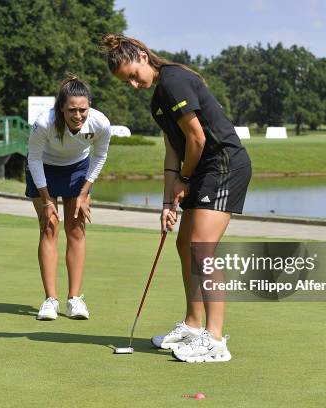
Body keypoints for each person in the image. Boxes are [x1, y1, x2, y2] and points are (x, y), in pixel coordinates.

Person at [101, 35, 251, 363]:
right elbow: (173, 150)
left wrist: (184, 180)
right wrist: (168, 202)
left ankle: (215, 341)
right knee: (185, 243)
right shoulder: (158, 99)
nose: (133, 84)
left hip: (223, 163)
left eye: (132, 75)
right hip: (200, 168)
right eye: (126, 81)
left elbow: (197, 138)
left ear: (143, 56)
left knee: (202, 248)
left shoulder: (173, 81)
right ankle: (194, 326)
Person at [26, 74, 112, 321]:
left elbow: (100, 156)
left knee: (76, 228)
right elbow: (33, 158)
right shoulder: (44, 123)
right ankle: (50, 300)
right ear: (61, 108)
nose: (78, 115)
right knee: (49, 227)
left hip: (77, 168)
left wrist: (85, 192)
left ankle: (74, 299)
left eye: (83, 109)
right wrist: (47, 200)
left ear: (89, 107)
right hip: (43, 167)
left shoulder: (100, 123)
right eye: (72, 110)